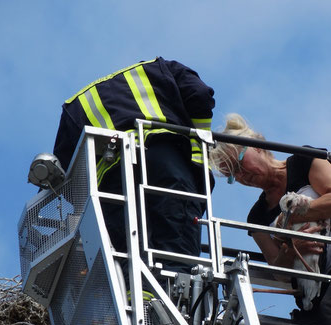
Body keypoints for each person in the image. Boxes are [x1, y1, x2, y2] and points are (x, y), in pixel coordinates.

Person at [209, 114, 331, 325]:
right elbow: (280, 272)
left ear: (256, 146)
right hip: (318, 286)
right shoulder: (257, 217)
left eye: (238, 164)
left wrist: (289, 219)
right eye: (230, 175)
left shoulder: (304, 160)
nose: (240, 176)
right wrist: (290, 247)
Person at [53, 57, 215, 273]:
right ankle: (173, 294)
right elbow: (200, 95)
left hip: (112, 184)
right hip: (164, 158)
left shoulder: (74, 106)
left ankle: (140, 296)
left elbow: (64, 175)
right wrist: (201, 143)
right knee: (175, 246)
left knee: (128, 255)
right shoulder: (161, 68)